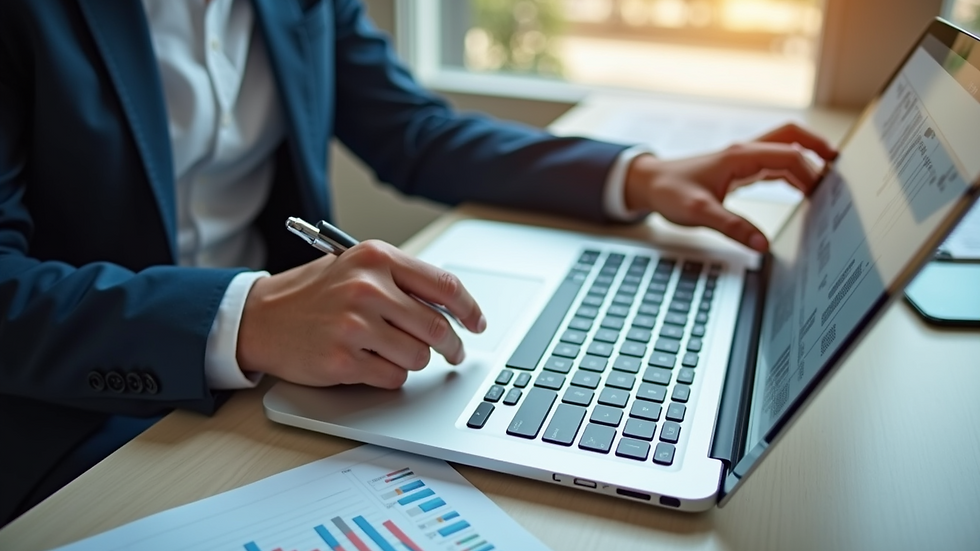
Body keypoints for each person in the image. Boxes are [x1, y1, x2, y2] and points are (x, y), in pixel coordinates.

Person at [0, 0, 836, 525]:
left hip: (277, 386)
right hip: (77, 409)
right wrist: (246, 316)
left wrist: (637, 174)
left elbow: (414, 132)